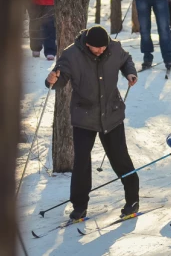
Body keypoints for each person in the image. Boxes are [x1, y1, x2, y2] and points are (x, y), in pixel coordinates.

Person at [45, 26, 140, 219]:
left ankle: (132, 200)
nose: (101, 51)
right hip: (84, 115)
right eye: (97, 48)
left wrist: (130, 72)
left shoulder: (114, 48)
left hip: (111, 113)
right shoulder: (71, 55)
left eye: (104, 47)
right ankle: (79, 206)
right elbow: (60, 79)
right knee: (81, 162)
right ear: (87, 44)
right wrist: (52, 80)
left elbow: (126, 59)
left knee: (120, 158)